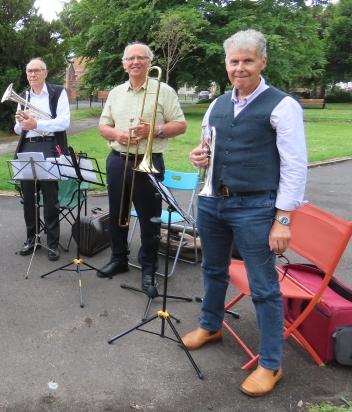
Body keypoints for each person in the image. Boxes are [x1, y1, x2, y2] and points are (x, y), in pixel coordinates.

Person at [182, 29, 307, 397]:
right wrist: (197, 156)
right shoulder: (217, 103)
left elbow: (296, 166)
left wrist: (283, 218)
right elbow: (206, 146)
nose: (240, 68)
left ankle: (271, 364)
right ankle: (211, 325)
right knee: (212, 268)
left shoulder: (282, 104)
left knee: (264, 288)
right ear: (226, 64)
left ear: (262, 62)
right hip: (213, 201)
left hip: (256, 206)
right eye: (234, 61)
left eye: (247, 60)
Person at [97, 42, 187, 290]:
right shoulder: (115, 93)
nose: (135, 62)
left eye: (141, 58)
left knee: (150, 219)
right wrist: (117, 134)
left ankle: (148, 269)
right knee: (117, 215)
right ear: (124, 64)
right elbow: (103, 126)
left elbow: (180, 125)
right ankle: (119, 260)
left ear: (149, 62)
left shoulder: (164, 90)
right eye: (130, 58)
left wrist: (154, 130)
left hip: (149, 163)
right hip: (118, 161)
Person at [14, 58, 70, 261]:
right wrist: (21, 122)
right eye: (29, 71)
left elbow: (64, 121)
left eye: (37, 70)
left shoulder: (58, 92)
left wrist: (38, 123)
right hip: (28, 145)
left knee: (51, 198)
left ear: (45, 73)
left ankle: (53, 243)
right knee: (28, 197)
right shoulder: (23, 96)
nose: (32, 74)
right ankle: (31, 238)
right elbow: (17, 129)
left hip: (50, 146)